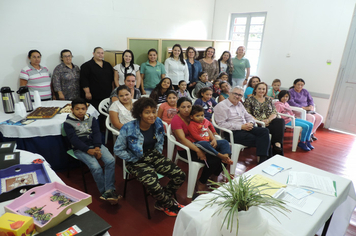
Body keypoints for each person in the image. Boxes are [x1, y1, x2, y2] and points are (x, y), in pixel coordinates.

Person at [114, 97, 185, 217]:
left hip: (153, 155)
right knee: (153, 184)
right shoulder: (128, 127)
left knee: (180, 175)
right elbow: (118, 149)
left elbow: (160, 141)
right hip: (136, 160)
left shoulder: (157, 122)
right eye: (147, 112)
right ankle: (168, 204)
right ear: (139, 113)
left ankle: (162, 202)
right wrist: (134, 158)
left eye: (153, 111)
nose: (152, 115)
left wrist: (157, 155)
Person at [64, 98, 119, 204]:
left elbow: (97, 133)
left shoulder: (91, 119)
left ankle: (109, 190)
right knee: (96, 167)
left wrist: (97, 147)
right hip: (80, 149)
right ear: (72, 109)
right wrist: (88, 150)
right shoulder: (68, 123)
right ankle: (104, 191)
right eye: (77, 109)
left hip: (96, 145)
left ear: (86, 109)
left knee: (110, 160)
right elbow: (74, 140)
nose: (80, 111)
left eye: (83, 109)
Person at [171, 97, 224, 192]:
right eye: (183, 107)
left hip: (203, 143)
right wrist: (198, 150)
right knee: (214, 159)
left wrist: (213, 139)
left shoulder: (194, 115)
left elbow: (205, 127)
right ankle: (202, 181)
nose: (186, 109)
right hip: (186, 149)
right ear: (178, 108)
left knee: (225, 153)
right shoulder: (176, 120)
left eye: (189, 106)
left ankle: (214, 176)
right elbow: (182, 139)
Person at [214, 86, 270, 163]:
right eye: (235, 94)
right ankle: (264, 160)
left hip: (246, 128)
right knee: (263, 139)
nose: (237, 96)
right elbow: (221, 124)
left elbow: (248, 116)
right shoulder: (221, 106)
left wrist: (250, 123)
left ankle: (263, 160)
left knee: (265, 131)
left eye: (240, 95)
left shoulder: (239, 104)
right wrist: (241, 127)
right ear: (230, 93)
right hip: (232, 132)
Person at [244, 82, 285, 155]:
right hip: (257, 123)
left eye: (263, 89)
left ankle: (277, 144)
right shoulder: (249, 100)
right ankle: (276, 151)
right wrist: (260, 121)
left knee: (280, 121)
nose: (261, 91)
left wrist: (268, 120)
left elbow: (274, 112)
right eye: (259, 89)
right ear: (255, 90)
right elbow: (248, 114)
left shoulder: (268, 100)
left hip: (268, 121)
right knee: (273, 130)